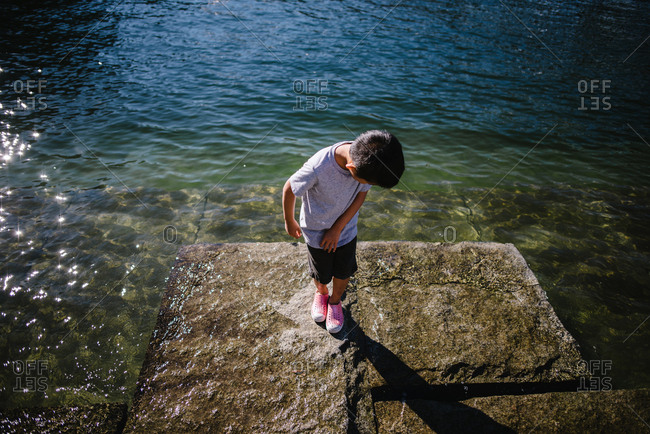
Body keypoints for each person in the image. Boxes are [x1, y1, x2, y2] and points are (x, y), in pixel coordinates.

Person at [282, 130, 405, 333]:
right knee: (321, 273)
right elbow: (289, 188)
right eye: (370, 183)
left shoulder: (370, 162)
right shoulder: (319, 167)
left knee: (343, 270)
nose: (369, 186)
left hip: (346, 231)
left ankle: (335, 301)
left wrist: (338, 228)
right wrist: (289, 220)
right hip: (316, 231)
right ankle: (321, 293)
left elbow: (360, 196)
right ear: (351, 168)